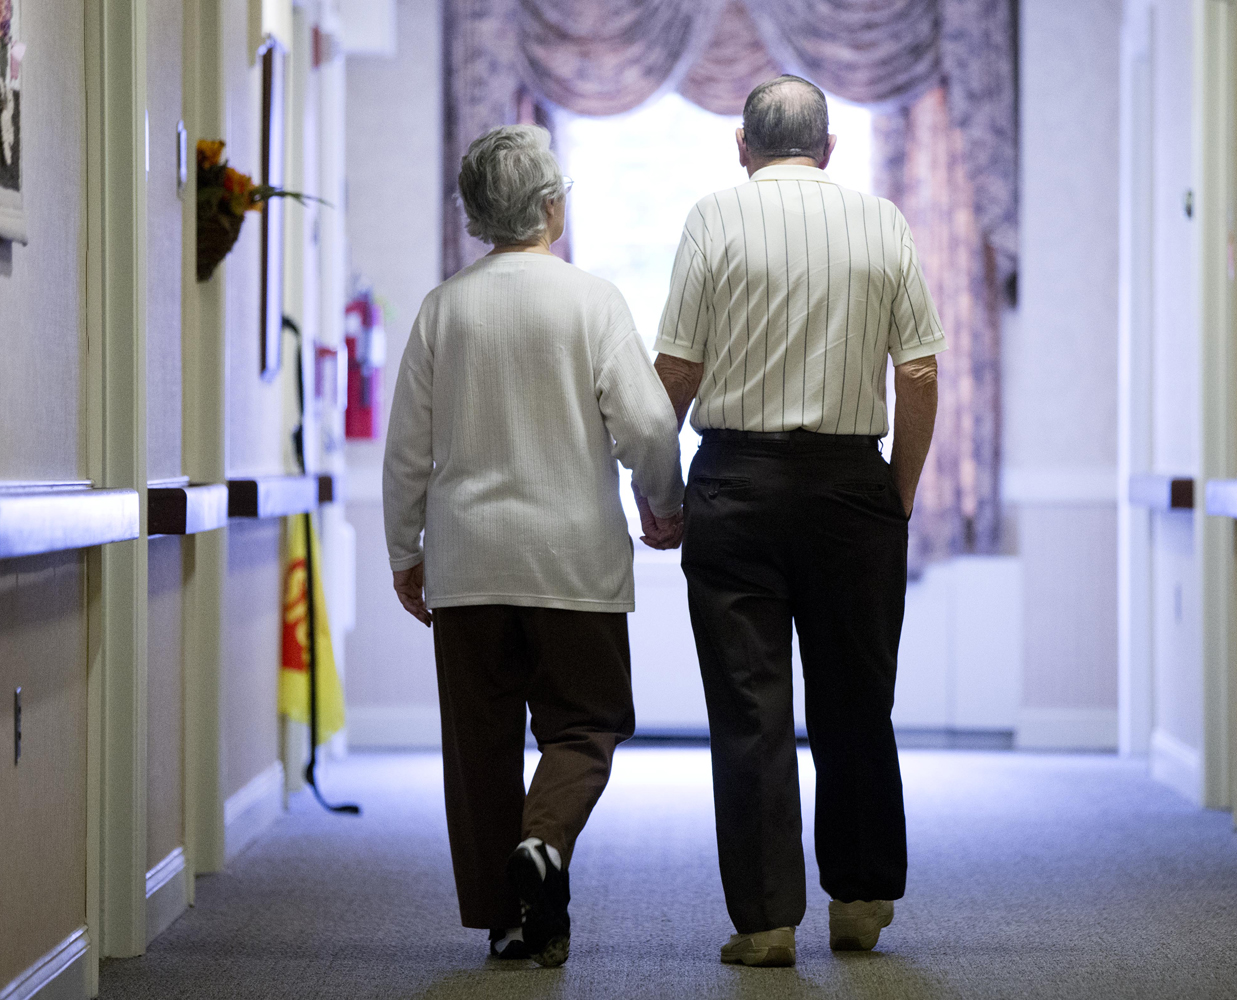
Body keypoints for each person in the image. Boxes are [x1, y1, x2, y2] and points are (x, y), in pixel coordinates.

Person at [652, 76, 944, 967]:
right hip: (852, 486)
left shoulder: (713, 218)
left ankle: (767, 921)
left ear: (742, 146)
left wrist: (661, 493)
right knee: (858, 699)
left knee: (750, 708)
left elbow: (674, 372)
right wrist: (894, 491)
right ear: (829, 148)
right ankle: (859, 902)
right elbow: (922, 375)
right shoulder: (882, 220)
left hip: (736, 483)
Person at [382, 124, 684, 968]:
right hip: (572, 562)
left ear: (478, 215)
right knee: (587, 725)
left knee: (479, 749)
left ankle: (509, 920)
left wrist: (406, 550)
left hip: (470, 563)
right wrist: (663, 503)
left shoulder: (444, 308)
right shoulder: (591, 301)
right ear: (552, 206)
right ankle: (545, 842)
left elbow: (408, 448)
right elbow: (649, 425)